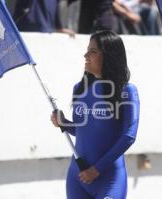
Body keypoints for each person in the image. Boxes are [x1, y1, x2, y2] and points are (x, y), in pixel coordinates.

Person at [51, 30, 140, 199]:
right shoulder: (79, 89)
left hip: (110, 180)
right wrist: (64, 123)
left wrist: (97, 169)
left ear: (109, 56)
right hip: (77, 177)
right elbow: (83, 131)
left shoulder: (126, 91)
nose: (86, 55)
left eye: (93, 51)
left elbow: (129, 135)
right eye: (87, 50)